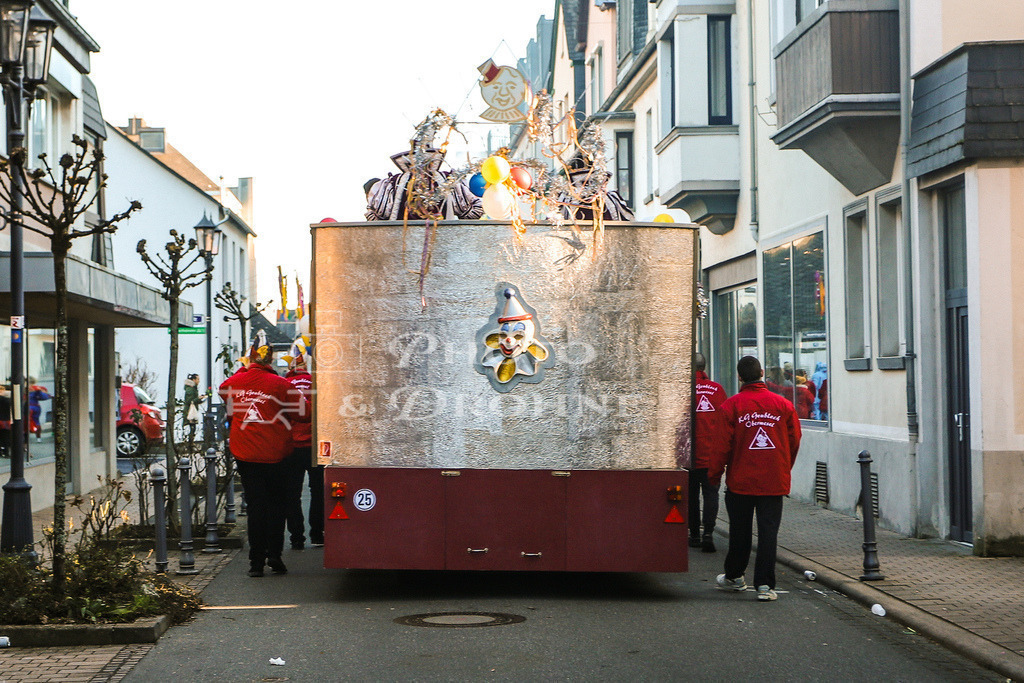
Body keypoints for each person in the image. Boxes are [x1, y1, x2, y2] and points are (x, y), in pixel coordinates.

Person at [709, 356, 801, 602]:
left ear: (739, 376)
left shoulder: (731, 406)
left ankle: (735, 577)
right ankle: (764, 586)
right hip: (773, 481)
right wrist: (783, 468)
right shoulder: (783, 405)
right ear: (761, 372)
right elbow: (793, 441)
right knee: (768, 533)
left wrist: (714, 475)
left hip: (741, 481)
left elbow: (721, 447)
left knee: (740, 531)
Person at [219, 330, 310, 577]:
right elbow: (304, 413)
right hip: (276, 455)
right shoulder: (281, 385)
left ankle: (255, 563)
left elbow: (223, 388)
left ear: (250, 359)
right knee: (277, 506)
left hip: (246, 454)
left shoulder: (236, 383)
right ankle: (275, 556)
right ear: (271, 360)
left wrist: (243, 370)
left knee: (256, 506)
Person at [283, 349, 324, 549]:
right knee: (317, 491)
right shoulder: (316, 382)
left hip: (291, 446)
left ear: (290, 367)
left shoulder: (283, 385)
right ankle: (317, 533)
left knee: (292, 493)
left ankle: (296, 537)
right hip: (314, 445)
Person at [689, 353, 728, 553]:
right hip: (712, 454)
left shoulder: (684, 389)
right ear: (705, 367)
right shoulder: (718, 390)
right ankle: (708, 533)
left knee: (692, 495)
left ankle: (694, 534)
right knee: (711, 494)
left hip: (690, 455)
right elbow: (725, 420)